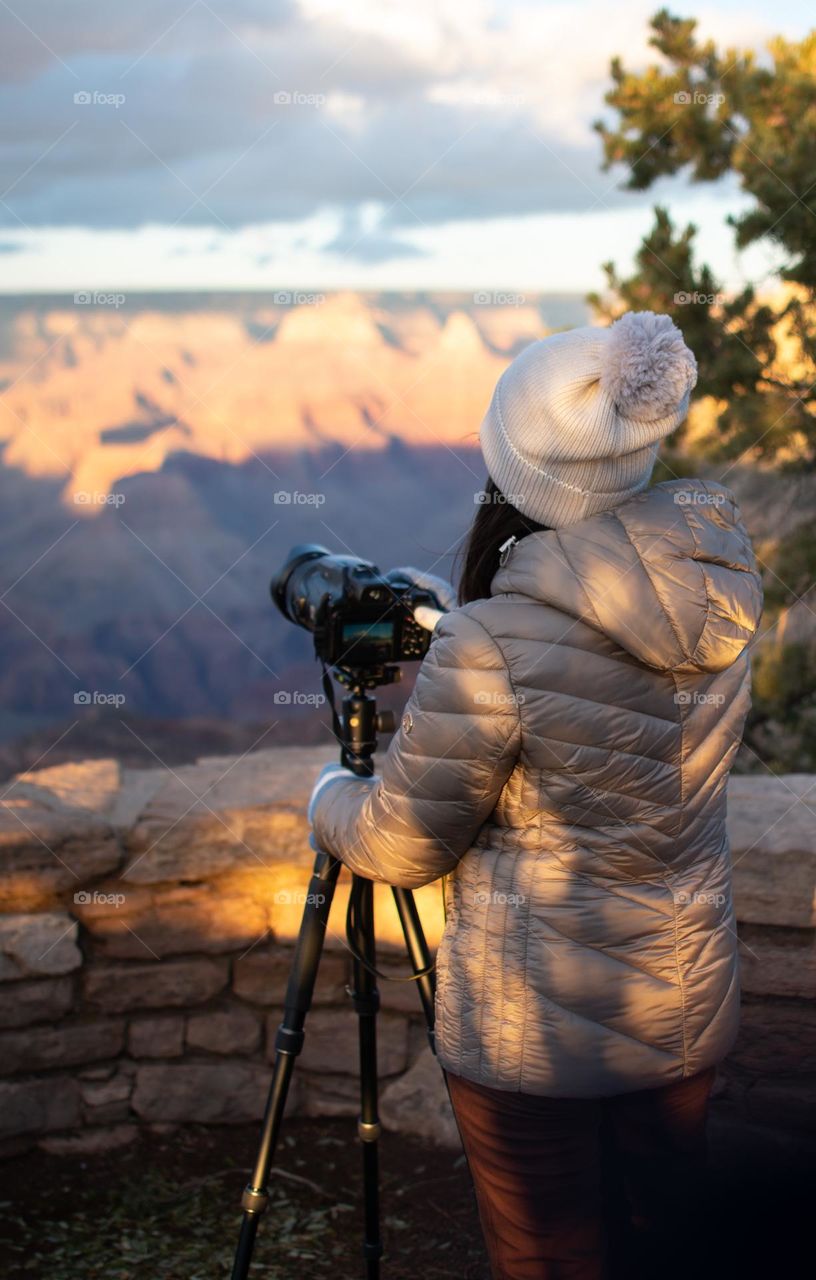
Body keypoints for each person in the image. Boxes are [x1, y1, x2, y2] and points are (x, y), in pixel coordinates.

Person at [308, 311, 763, 1279]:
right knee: (671, 1244)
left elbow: (400, 843)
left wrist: (325, 795)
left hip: (534, 1034)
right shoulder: (718, 596)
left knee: (550, 1256)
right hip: (682, 1001)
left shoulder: (491, 640)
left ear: (513, 468)